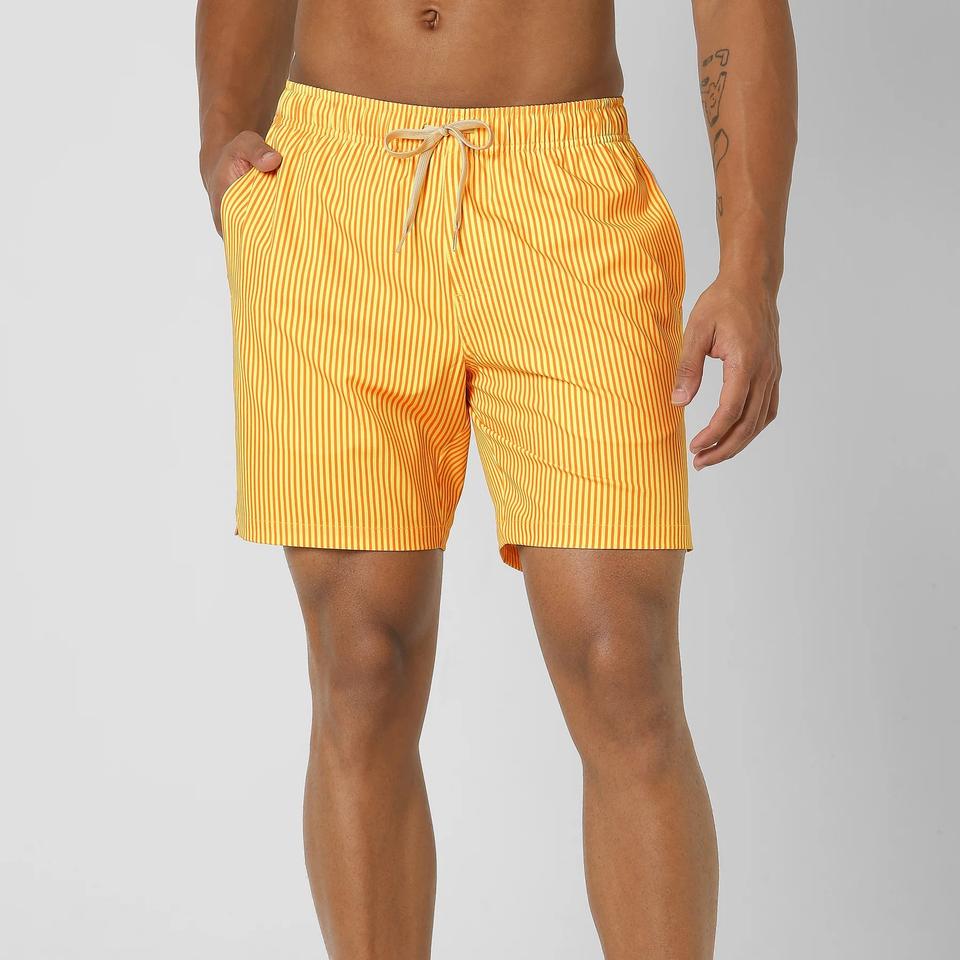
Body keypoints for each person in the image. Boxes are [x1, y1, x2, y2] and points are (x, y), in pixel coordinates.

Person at [195, 0, 797, 955]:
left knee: (621, 661)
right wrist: (222, 128)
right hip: (333, 188)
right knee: (360, 662)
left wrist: (751, 271)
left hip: (567, 193)